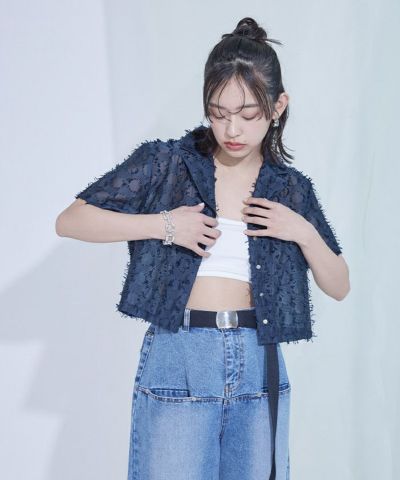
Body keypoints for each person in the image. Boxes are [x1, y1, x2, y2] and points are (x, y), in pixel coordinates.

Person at [56, 17, 350, 480]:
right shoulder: (168, 163)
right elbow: (72, 220)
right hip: (181, 353)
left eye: (248, 114)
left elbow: (339, 284)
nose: (232, 128)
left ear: (278, 106)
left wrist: (303, 232)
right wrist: (165, 225)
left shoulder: (291, 189)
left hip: (259, 360)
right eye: (218, 111)